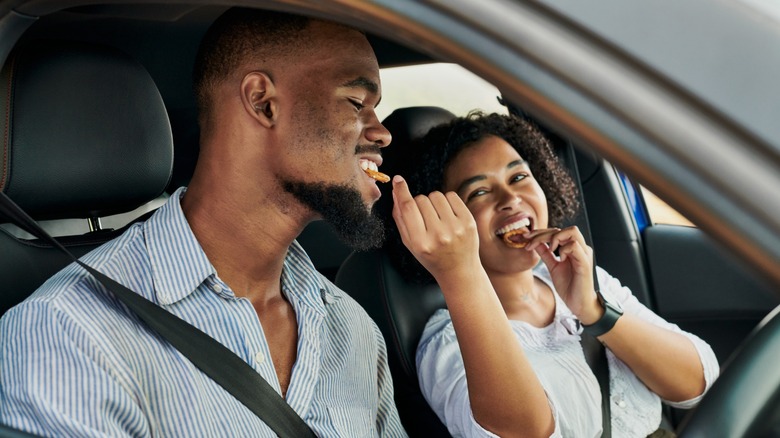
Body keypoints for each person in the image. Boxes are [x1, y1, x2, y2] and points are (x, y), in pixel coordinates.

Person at [0, 8, 407, 437]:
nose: (382, 134)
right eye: (357, 103)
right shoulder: (70, 333)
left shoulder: (352, 328)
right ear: (263, 103)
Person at [389, 111, 719, 437]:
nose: (511, 198)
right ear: (445, 223)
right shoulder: (450, 342)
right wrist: (460, 271)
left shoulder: (588, 281)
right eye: (479, 192)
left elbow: (698, 383)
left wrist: (594, 312)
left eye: (518, 177)